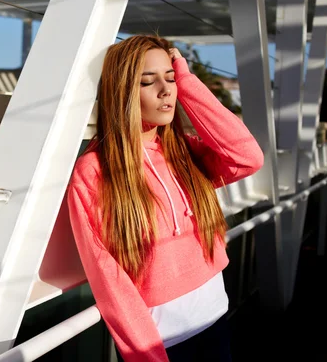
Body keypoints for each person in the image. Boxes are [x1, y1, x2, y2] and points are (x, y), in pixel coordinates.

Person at [66, 35, 264, 362]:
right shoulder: (95, 171)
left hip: (215, 318)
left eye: (169, 78)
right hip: (165, 342)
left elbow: (247, 156)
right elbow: (108, 279)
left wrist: (186, 80)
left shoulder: (183, 152)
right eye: (148, 81)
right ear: (122, 92)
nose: (165, 89)